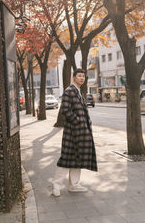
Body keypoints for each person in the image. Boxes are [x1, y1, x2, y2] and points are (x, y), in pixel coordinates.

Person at [52, 68, 98, 197]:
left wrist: (86, 124)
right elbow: (65, 110)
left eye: (83, 76)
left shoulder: (78, 91)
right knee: (66, 159)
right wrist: (78, 122)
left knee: (77, 159)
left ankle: (74, 185)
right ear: (74, 77)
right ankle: (56, 185)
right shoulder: (69, 91)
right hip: (72, 132)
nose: (82, 78)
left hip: (81, 132)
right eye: (79, 76)